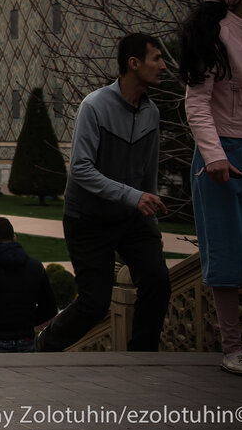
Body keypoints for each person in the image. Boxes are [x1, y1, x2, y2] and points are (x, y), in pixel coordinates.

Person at [36, 33, 170, 353]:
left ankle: (142, 359)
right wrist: (132, 196)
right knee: (94, 304)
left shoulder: (152, 113)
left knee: (158, 282)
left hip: (132, 217)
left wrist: (147, 212)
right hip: (89, 218)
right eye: (156, 58)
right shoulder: (94, 106)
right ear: (133, 64)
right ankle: (43, 348)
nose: (163, 66)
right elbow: (80, 169)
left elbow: (148, 175)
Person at [181, 0, 242, 376]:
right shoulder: (214, 37)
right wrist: (215, 156)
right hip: (223, 159)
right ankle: (232, 348)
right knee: (227, 254)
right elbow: (197, 102)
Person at [0, 217, 57, 353]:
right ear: (14, 237)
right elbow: (49, 307)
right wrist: (28, 323)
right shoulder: (35, 266)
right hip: (26, 341)